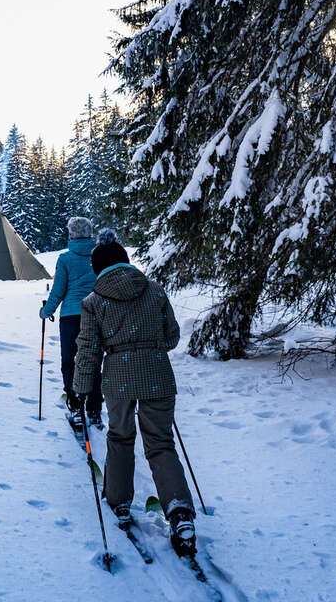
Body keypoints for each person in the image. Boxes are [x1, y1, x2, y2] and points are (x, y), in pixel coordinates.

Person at [72, 228, 197, 555]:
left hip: (119, 378)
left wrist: (81, 389)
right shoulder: (154, 291)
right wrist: (149, 347)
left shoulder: (93, 301)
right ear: (126, 262)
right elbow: (172, 337)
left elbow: (88, 350)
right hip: (157, 374)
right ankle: (180, 510)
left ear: (97, 269)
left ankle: (118, 500)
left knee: (120, 436)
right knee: (160, 442)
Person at [40, 216, 103, 429]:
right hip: (95, 315)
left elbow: (58, 290)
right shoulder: (98, 255)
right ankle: (94, 408)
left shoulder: (65, 259)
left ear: (71, 234)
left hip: (70, 317)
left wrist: (46, 311)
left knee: (69, 360)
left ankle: (75, 405)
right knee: (93, 360)